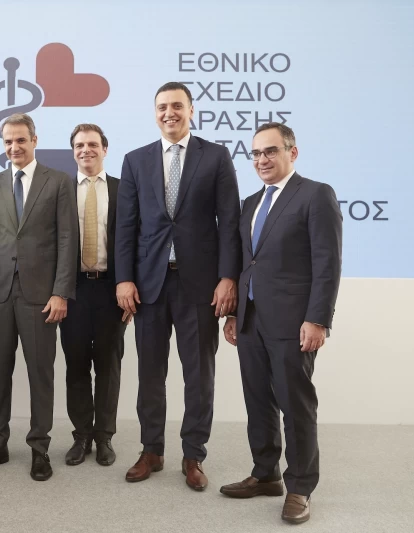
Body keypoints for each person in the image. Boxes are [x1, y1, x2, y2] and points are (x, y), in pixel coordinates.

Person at [116, 82, 241, 489]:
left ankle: (193, 455)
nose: (169, 113)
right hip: (149, 286)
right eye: (161, 107)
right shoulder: (136, 160)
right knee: (150, 375)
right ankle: (151, 450)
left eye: (176, 106)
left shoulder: (216, 156)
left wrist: (228, 277)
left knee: (199, 376)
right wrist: (124, 278)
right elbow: (126, 227)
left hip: (200, 286)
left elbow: (230, 223)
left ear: (191, 110)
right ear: (155, 113)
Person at [220, 123, 342, 524]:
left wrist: (318, 319)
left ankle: (300, 487)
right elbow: (246, 262)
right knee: (258, 400)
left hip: (294, 322)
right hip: (251, 320)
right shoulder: (251, 202)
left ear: (293, 152)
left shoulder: (316, 195)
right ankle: (266, 473)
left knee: (295, 404)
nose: (262, 160)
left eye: (270, 151)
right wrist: (235, 313)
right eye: (256, 153)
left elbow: (327, 263)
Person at [0, 113, 77, 481]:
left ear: (34, 140)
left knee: (40, 373)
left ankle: (39, 447)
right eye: (8, 142)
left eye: (20, 140)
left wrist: (61, 292)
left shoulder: (58, 181)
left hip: (41, 296)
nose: (14, 147)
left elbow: (68, 239)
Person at [59, 124, 129, 467]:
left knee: (108, 366)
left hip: (111, 289)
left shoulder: (123, 189)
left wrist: (130, 286)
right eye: (79, 145)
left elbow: (134, 241)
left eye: (92, 144)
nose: (85, 150)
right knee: (75, 365)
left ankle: (104, 437)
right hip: (71, 291)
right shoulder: (60, 191)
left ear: (104, 149)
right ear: (73, 151)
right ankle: (81, 435)